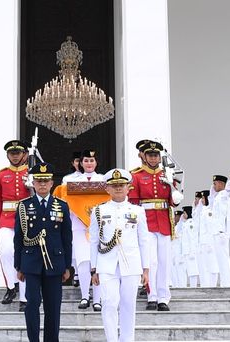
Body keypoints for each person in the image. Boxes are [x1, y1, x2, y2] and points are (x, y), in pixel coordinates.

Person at [90, 169, 152, 342]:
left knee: (128, 305)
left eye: (121, 185)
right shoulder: (99, 211)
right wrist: (93, 269)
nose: (118, 188)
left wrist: (145, 269)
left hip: (131, 264)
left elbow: (144, 241)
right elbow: (94, 240)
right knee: (109, 303)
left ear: (128, 188)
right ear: (107, 189)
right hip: (106, 263)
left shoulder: (138, 211)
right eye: (114, 185)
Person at [14, 164, 72, 342]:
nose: (42, 185)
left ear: (52, 183)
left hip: (55, 263)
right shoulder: (24, 206)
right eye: (39, 181)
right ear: (33, 183)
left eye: (46, 181)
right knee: (31, 304)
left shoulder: (61, 206)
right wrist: (18, 265)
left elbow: (66, 238)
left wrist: (67, 266)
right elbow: (18, 238)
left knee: (53, 307)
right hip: (30, 263)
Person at [127, 140, 181, 310]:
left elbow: (173, 202)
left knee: (164, 261)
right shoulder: (136, 175)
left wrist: (174, 188)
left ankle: (164, 298)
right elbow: (134, 202)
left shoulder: (167, 174)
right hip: (146, 222)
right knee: (150, 261)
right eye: (150, 155)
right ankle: (152, 295)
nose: (153, 158)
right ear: (143, 156)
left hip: (164, 221)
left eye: (156, 155)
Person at [61, 149, 103, 309]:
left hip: (99, 227)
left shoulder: (103, 180)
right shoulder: (70, 182)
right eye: (86, 160)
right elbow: (65, 202)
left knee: (97, 263)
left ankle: (97, 299)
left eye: (92, 161)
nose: (89, 164)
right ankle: (85, 296)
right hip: (78, 227)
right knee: (83, 263)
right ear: (80, 163)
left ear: (96, 162)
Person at [0, 139, 30, 306]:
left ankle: (24, 296)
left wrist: (32, 186)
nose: (15, 157)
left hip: (27, 218)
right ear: (7, 155)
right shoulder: (0, 174)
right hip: (6, 219)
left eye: (18, 153)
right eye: (12, 154)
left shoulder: (31, 173)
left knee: (25, 256)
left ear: (24, 154)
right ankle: (11, 286)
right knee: (6, 252)